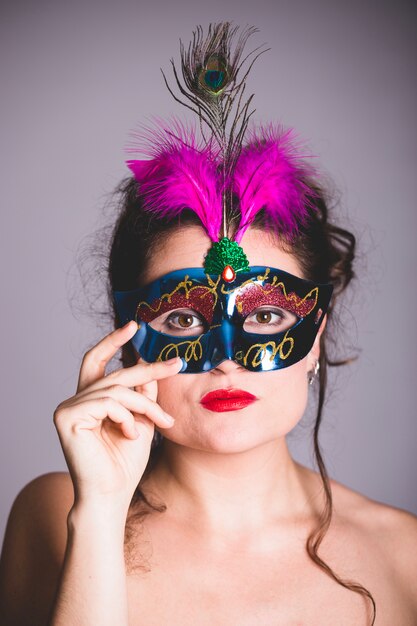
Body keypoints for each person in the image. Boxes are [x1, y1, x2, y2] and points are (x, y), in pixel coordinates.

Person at [1, 22, 416, 626]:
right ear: (128, 337)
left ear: (315, 336)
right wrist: (98, 516)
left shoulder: (404, 557)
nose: (225, 356)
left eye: (267, 315)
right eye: (182, 316)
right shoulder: (59, 514)